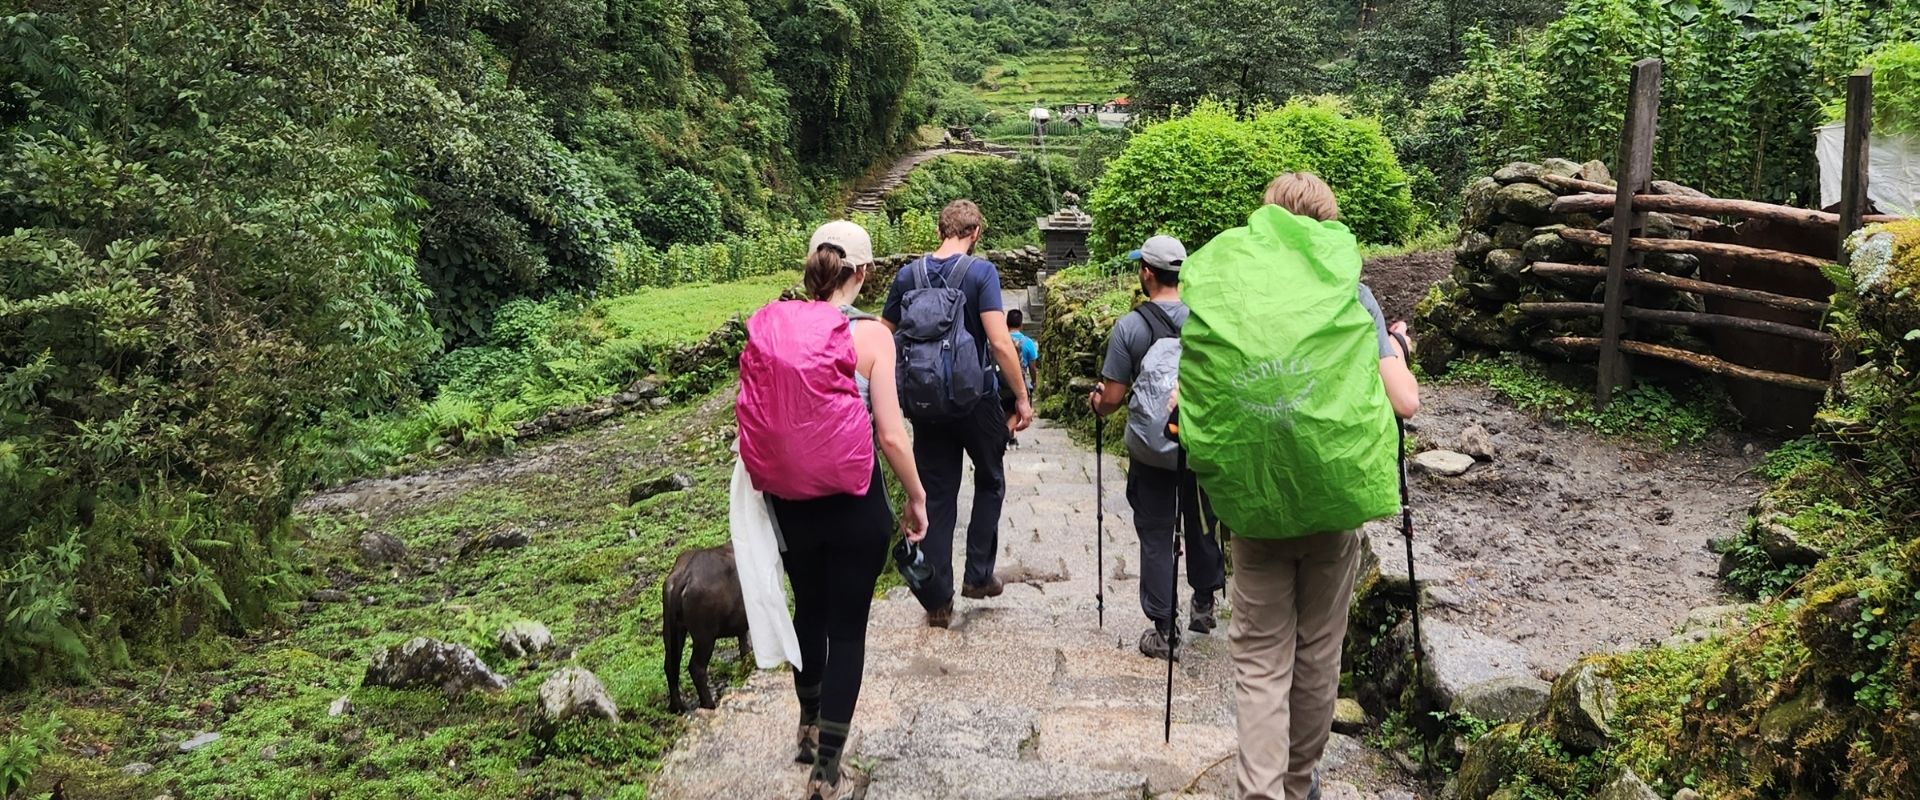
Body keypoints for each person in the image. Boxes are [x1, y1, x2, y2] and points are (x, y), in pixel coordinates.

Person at [1222, 173, 1420, 800]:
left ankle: (1259, 790)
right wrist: (1394, 347)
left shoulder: (1237, 294)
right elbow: (1405, 404)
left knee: (1259, 657)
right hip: (1334, 497)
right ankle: (1299, 781)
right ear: (1328, 226)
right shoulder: (1351, 295)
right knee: (1316, 652)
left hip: (1255, 498)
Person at [772, 221, 930, 800]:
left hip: (791, 504)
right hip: (855, 502)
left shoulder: (777, 325)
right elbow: (890, 435)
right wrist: (916, 496)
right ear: (862, 272)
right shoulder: (872, 337)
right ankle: (828, 769)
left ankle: (808, 725)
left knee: (807, 610)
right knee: (849, 629)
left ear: (812, 265)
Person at [881, 200, 1035, 628]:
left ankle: (938, 601)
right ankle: (979, 575)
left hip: (926, 405)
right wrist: (1021, 396)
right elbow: (1001, 343)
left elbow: (884, 335)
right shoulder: (980, 272)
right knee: (990, 479)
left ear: (939, 230)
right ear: (977, 233)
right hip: (976, 399)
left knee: (936, 494)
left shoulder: (907, 275)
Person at [1085, 235, 1226, 661]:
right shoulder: (1206, 320)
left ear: (1146, 272)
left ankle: (1164, 628)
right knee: (1202, 523)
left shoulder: (1131, 327)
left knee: (1156, 533)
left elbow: (1111, 399)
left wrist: (1097, 404)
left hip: (1150, 450)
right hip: (1198, 442)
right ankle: (1204, 603)